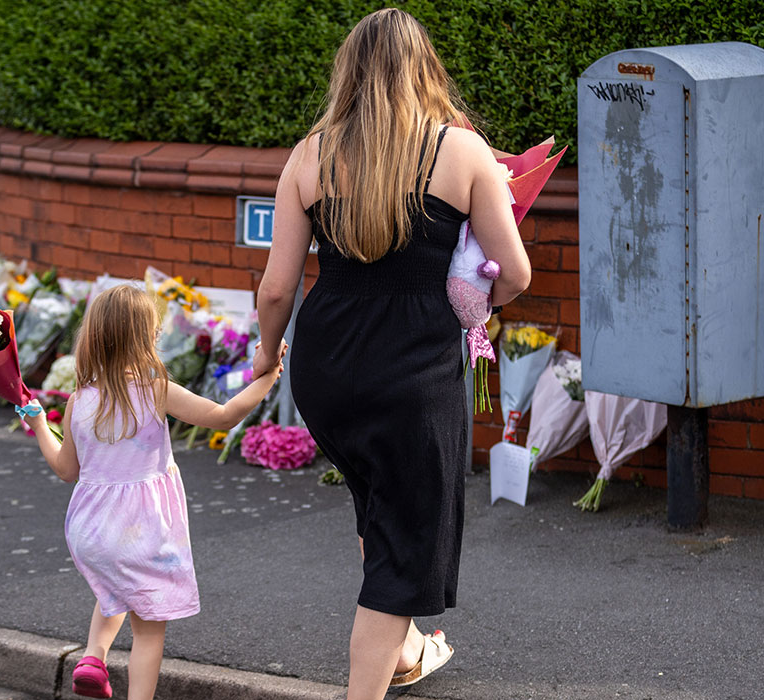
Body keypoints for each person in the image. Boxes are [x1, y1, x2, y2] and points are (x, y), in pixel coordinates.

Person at [251, 9, 531, 699]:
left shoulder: (309, 155)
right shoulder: (461, 152)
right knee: (404, 552)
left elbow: (276, 288)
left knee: (380, 505)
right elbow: (515, 273)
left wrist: (264, 361)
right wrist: (476, 308)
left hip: (329, 368)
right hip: (413, 370)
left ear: (348, 73)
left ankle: (406, 652)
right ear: (424, 68)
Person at [22, 285, 285, 700]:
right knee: (147, 629)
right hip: (143, 530)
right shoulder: (154, 389)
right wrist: (267, 379)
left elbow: (66, 470)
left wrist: (39, 425)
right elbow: (222, 417)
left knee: (115, 586)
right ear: (143, 338)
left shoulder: (79, 401)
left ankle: (94, 656)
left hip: (90, 531)